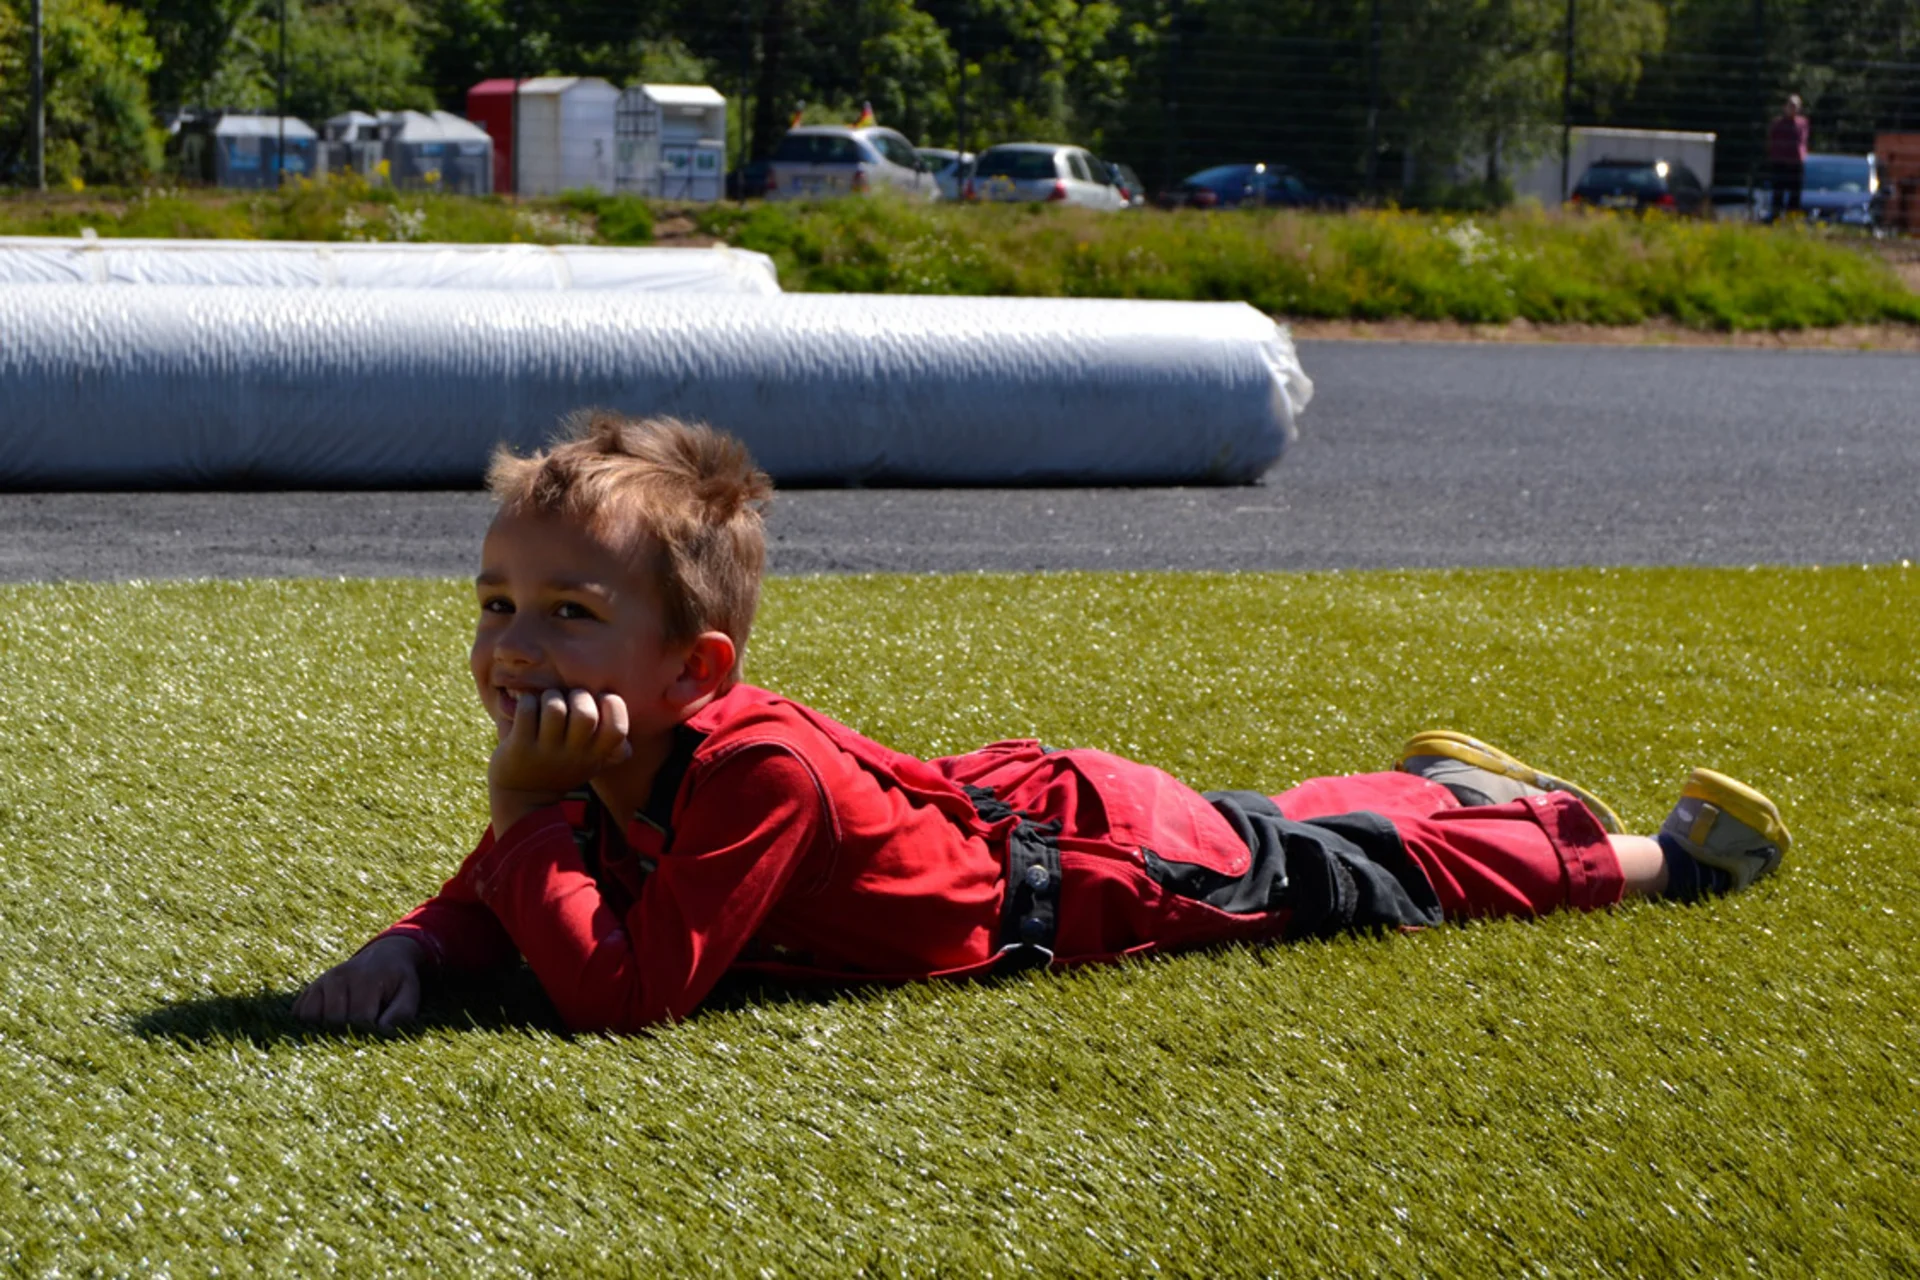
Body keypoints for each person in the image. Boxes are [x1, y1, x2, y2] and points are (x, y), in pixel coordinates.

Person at [294, 413, 1793, 1034]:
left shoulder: (746, 769)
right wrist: (420, 944)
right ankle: (1439, 781)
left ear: (698, 667)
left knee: (1351, 883)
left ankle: (1649, 857)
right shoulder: (599, 747)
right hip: (1026, 807)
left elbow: (632, 995)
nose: (514, 642)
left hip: (1082, 872)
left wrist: (520, 820)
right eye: (500, 601)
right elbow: (519, 893)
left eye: (569, 610)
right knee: (1281, 830)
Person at [1767, 94, 1809, 221]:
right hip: (1780, 162)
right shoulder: (1777, 123)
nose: (1793, 108)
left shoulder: (1802, 123)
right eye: (1791, 105)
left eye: (1796, 106)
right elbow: (1772, 140)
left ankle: (1792, 219)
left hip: (1796, 162)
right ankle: (1776, 218)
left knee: (1795, 193)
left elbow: (1803, 140)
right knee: (1778, 192)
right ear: (1785, 107)